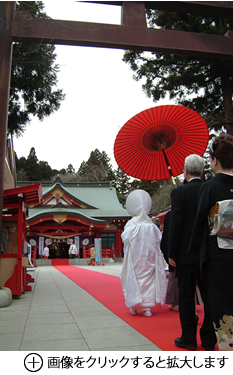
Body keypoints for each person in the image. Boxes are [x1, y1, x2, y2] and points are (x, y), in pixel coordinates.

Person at [189, 134, 233, 350]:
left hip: (219, 258)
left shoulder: (210, 188)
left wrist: (195, 261)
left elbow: (199, 229)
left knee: (222, 306)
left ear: (214, 161)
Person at [168, 154, 216, 351]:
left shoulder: (179, 193)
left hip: (186, 253)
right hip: (208, 252)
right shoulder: (211, 189)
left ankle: (188, 337)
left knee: (186, 296)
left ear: (185, 171)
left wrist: (172, 252)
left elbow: (176, 225)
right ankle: (208, 338)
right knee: (210, 295)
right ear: (203, 171)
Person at [120, 189, 167, 317]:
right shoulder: (151, 225)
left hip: (134, 257)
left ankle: (134, 306)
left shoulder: (131, 225)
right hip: (149, 257)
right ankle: (147, 308)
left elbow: (125, 238)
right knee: (149, 278)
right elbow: (159, 239)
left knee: (133, 278)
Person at [161, 210, 179, 311]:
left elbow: (167, 235)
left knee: (174, 278)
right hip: (189, 251)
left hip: (174, 251)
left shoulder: (170, 215)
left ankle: (176, 302)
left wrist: (169, 253)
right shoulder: (193, 209)